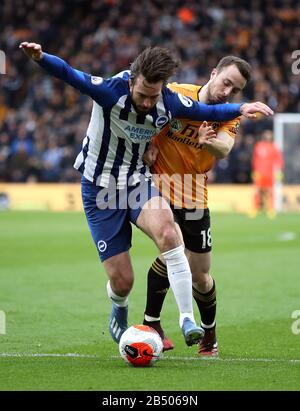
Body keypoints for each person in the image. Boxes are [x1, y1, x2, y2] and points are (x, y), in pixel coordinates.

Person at [20, 42, 273, 348]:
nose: (146, 103)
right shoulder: (110, 90)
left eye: (153, 97)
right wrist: (40, 57)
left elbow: (211, 112)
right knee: (123, 280)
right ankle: (122, 310)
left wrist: (241, 108)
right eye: (141, 95)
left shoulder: (169, 100)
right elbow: (70, 74)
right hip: (101, 189)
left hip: (141, 182)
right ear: (131, 82)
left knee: (169, 233)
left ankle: (186, 320)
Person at [142, 55, 260, 356]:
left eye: (235, 90)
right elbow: (147, 121)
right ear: (213, 73)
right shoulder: (177, 94)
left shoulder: (227, 115)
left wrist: (206, 140)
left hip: (194, 194)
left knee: (201, 275)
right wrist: (149, 144)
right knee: (172, 252)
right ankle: (151, 323)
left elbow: (224, 149)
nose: (227, 92)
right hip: (161, 189)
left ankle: (210, 335)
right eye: (226, 82)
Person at [251, 130, 284, 218]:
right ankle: (255, 208)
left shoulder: (274, 147)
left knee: (270, 191)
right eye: (266, 135)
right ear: (264, 136)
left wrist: (279, 171)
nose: (268, 136)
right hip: (259, 173)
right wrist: (254, 171)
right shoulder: (258, 146)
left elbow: (279, 160)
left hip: (270, 173)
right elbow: (255, 159)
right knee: (257, 191)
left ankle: (270, 209)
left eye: (269, 135)